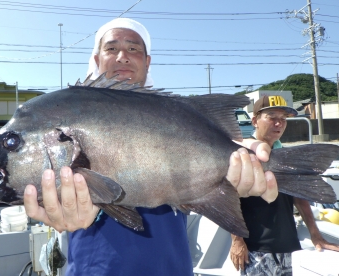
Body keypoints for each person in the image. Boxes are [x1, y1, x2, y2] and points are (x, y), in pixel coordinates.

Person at [24, 18, 278, 275]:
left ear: (147, 62)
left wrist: (248, 155)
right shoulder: (66, 121)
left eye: (133, 49)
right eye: (111, 49)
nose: (122, 56)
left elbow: (224, 147)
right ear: (96, 59)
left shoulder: (179, 117)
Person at [230, 95, 339, 276]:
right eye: (272, 117)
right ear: (255, 120)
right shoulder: (242, 155)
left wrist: (315, 234)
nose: (278, 123)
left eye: (283, 119)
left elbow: (300, 196)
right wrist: (237, 241)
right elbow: (229, 199)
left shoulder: (288, 156)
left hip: (290, 246)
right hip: (256, 248)